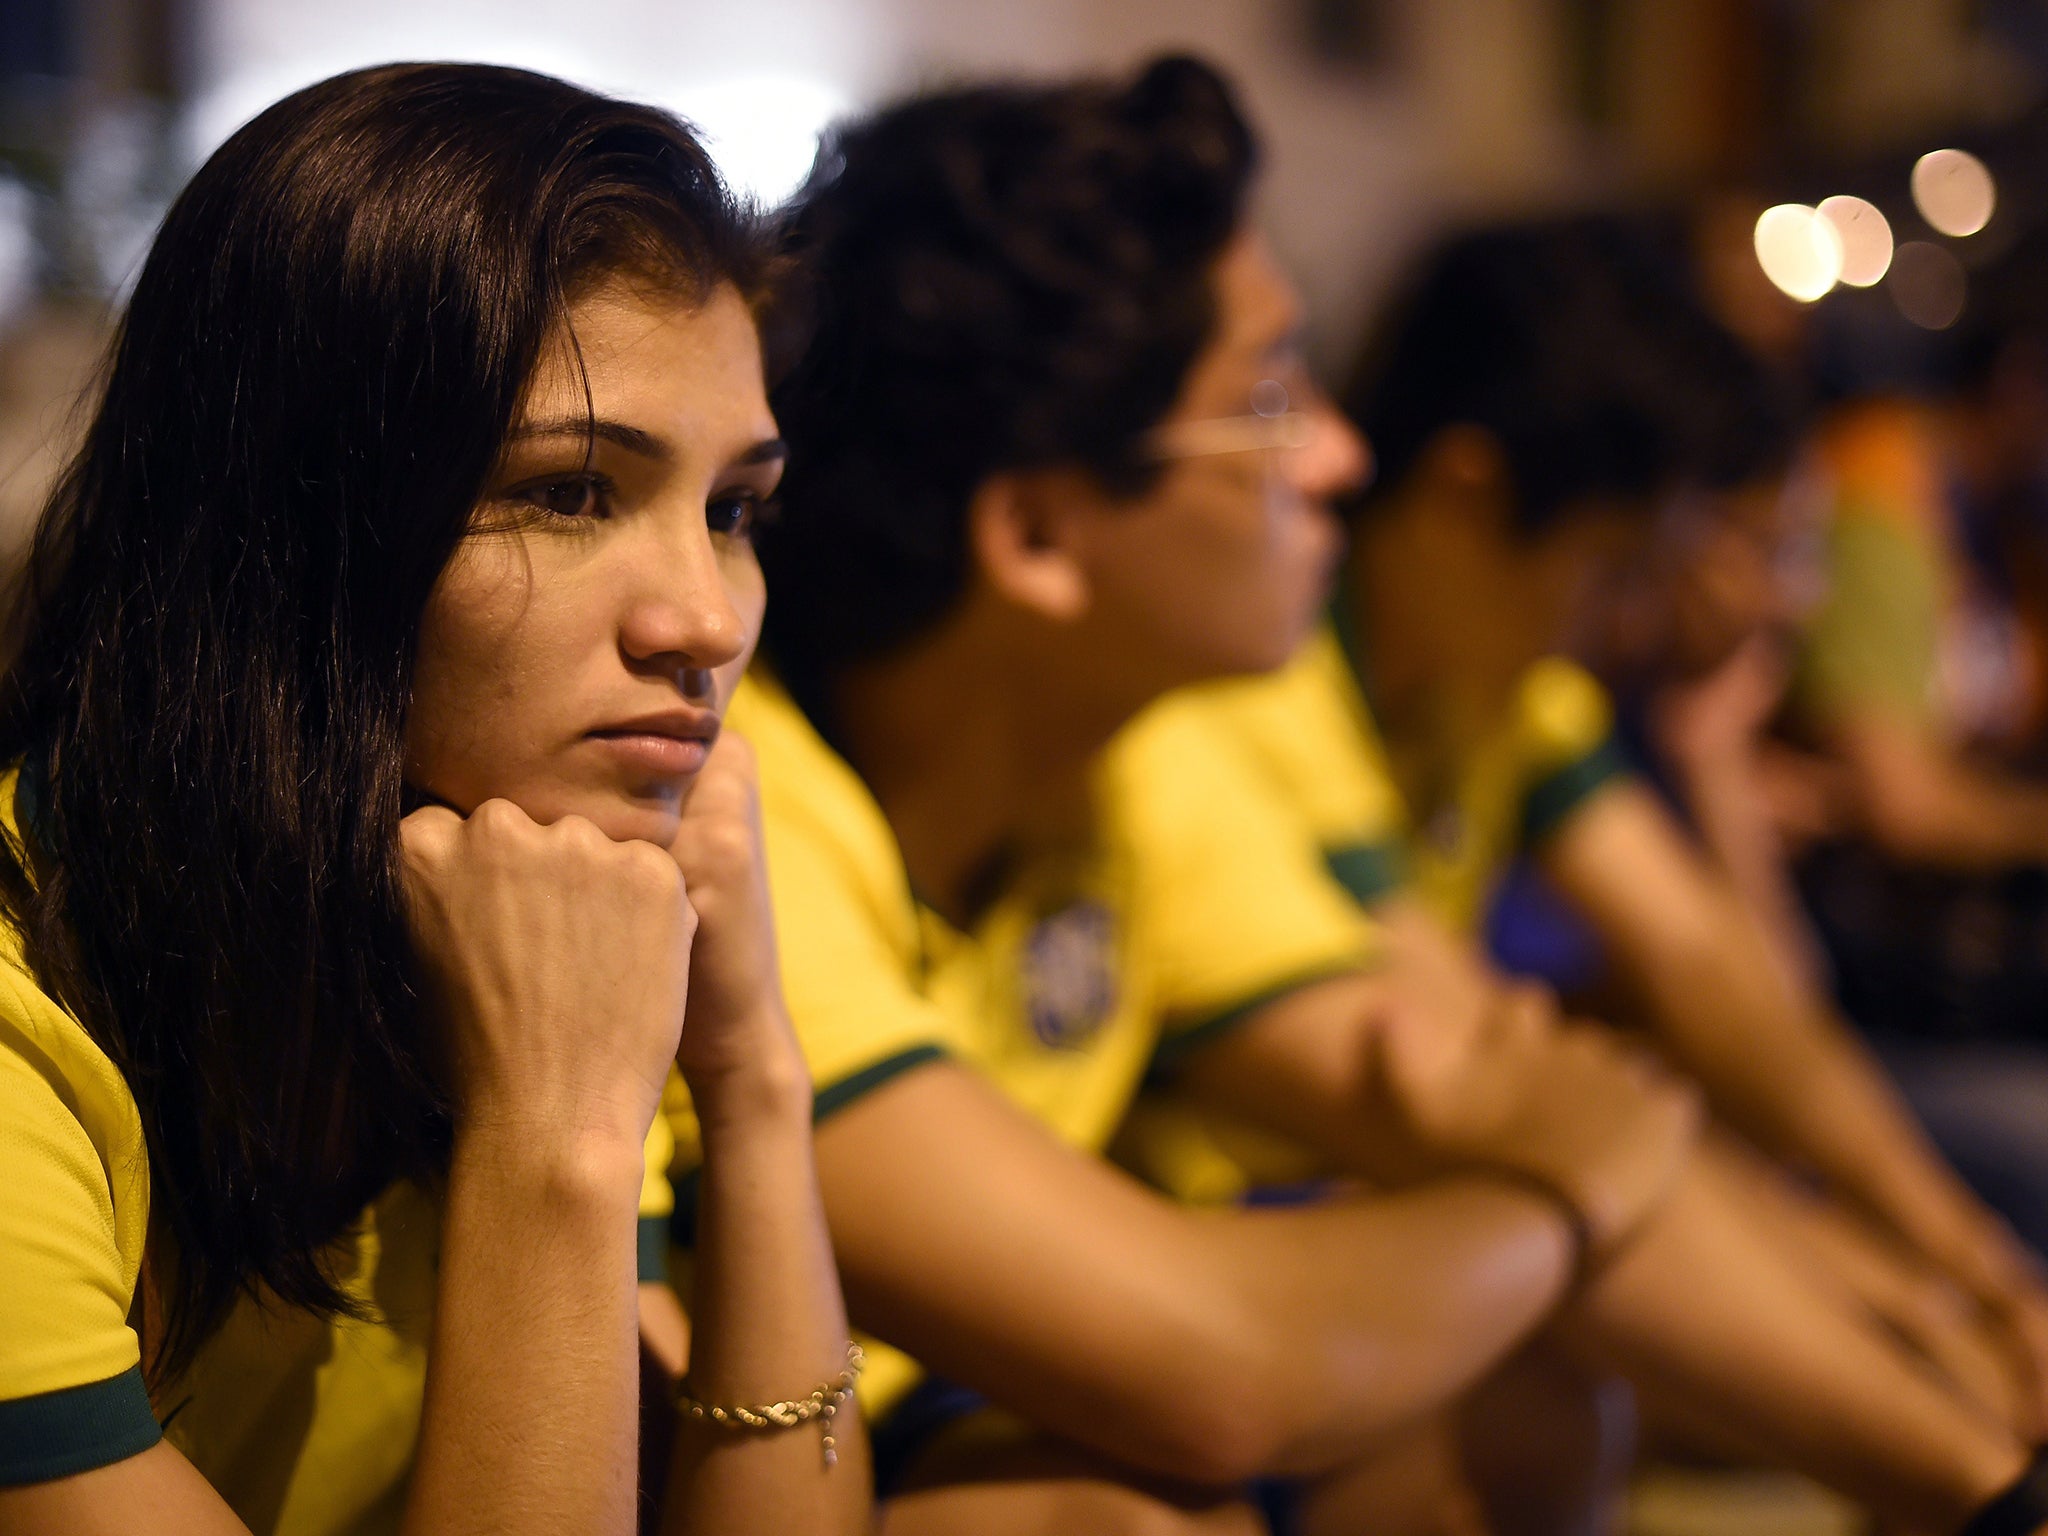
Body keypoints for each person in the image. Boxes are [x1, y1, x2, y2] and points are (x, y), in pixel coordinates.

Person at [669, 58, 2048, 1535]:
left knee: (1522, 1409)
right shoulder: (758, 824)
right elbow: (1222, 1363)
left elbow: (1499, 1075)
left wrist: (1985, 1465)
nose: (1336, 452)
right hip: (754, 1458)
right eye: (1267, 397)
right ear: (1037, 535)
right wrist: (1567, 1191)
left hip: (988, 1384)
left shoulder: (1141, 761)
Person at [0, 63, 865, 1536]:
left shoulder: (525, 905)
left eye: (732, 512)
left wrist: (751, 1075)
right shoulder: (27, 1047)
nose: (706, 622)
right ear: (287, 534)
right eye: (571, 492)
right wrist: (555, 1139)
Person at [1145, 211, 2048, 1450]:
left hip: (1356, 1197)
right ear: (1466, 493)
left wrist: (1964, 1267)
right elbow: (1500, 1090)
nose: (1630, 620)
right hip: (1234, 1218)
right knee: (1545, 1398)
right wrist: (1910, 1308)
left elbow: (1708, 969)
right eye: (1263, 397)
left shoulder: (1508, 681)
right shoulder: (1259, 683)